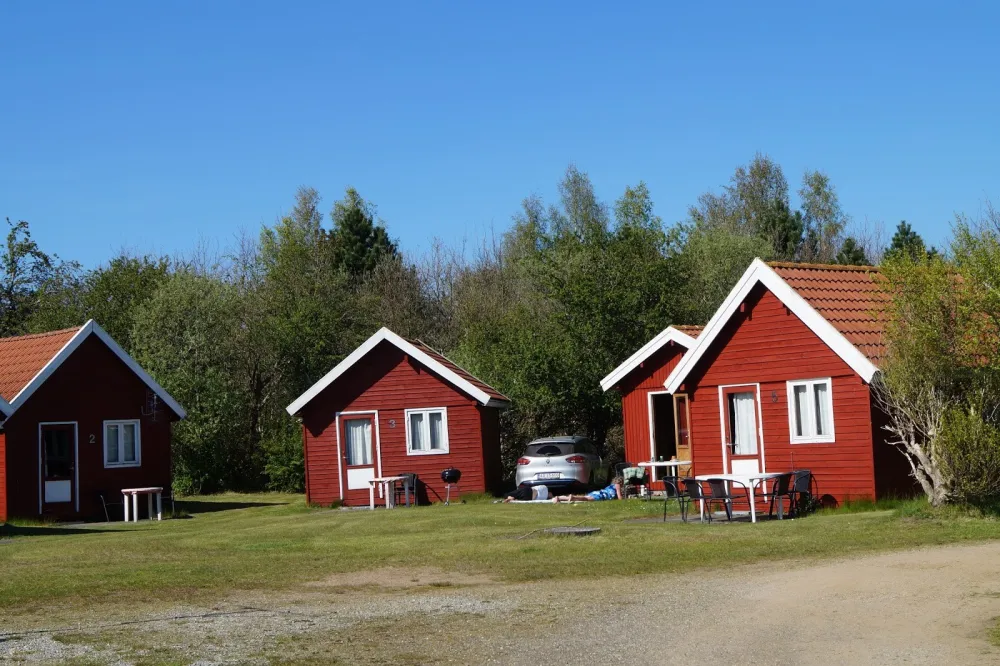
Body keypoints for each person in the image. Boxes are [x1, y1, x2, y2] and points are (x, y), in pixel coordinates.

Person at [554, 477, 623, 503]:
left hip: (598, 492)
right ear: (620, 482)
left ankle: (559, 498)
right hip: (601, 496)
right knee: (585, 499)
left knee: (584, 498)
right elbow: (620, 497)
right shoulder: (618, 486)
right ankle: (573, 497)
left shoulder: (610, 486)